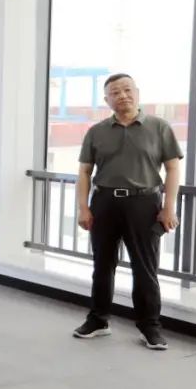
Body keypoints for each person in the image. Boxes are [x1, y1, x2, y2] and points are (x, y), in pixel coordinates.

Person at [74, 73, 181, 350]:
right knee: (102, 265)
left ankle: (150, 327)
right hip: (105, 202)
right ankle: (98, 320)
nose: (122, 96)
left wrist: (168, 207)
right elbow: (84, 172)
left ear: (137, 93)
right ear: (107, 99)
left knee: (145, 268)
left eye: (127, 90)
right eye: (115, 92)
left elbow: (172, 169)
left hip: (144, 203)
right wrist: (83, 208)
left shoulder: (159, 127)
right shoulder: (96, 131)